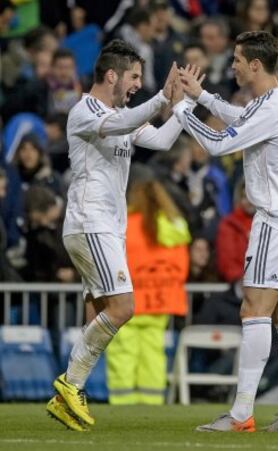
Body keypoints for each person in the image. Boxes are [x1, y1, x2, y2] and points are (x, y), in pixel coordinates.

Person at [46, 38, 201, 432]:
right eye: (134, 77)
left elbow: (162, 139)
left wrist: (184, 103)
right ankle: (70, 384)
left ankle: (70, 393)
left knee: (100, 313)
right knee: (124, 308)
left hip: (106, 228)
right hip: (90, 223)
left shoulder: (122, 114)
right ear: (111, 74)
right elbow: (122, 123)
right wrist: (160, 98)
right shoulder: (87, 110)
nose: (136, 84)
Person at [172, 30, 278, 432]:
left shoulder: (270, 108)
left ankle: (240, 415)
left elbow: (219, 144)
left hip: (276, 220)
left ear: (255, 64)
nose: (232, 65)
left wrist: (182, 111)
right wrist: (202, 97)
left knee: (253, 311)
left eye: (237, 60)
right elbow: (244, 119)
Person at [106, 167, 190, 405]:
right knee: (153, 354)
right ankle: (151, 403)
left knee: (123, 354)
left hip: (129, 301)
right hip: (161, 300)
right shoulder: (175, 225)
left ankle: (122, 404)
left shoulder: (127, 225)